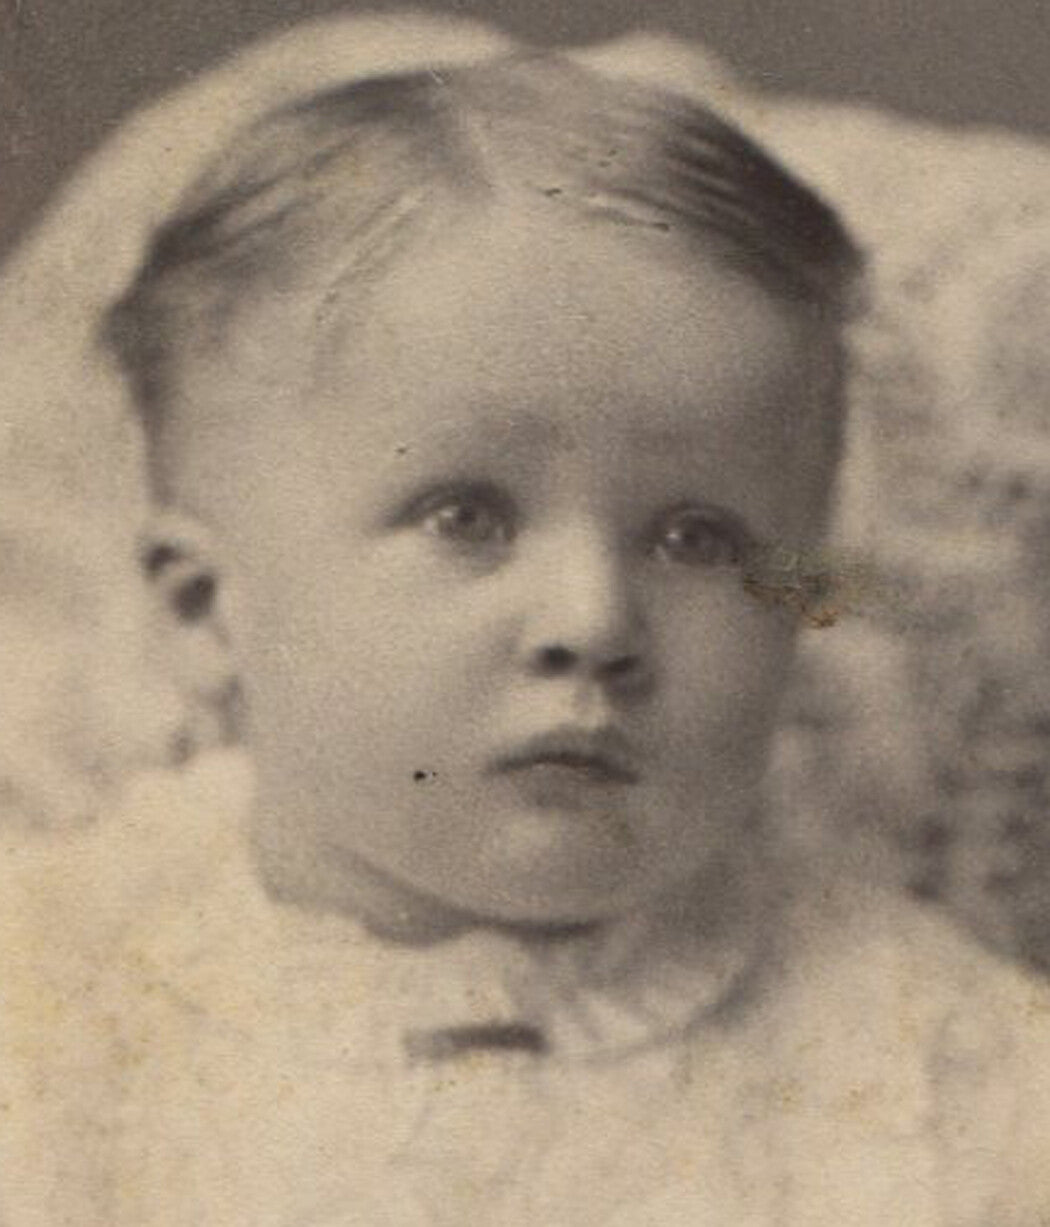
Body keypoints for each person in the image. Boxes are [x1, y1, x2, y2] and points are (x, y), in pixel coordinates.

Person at [2, 15, 1050, 1227]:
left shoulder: (953, 1075)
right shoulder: (52, 1000)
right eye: (467, 517)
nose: (593, 622)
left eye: (697, 539)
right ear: (202, 608)